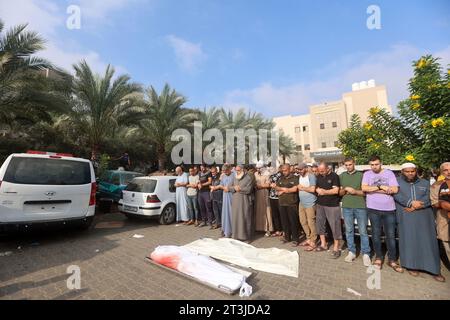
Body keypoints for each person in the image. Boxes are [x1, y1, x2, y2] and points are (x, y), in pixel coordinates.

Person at [394, 163, 445, 282]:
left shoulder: (425, 183)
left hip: (424, 216)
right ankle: (412, 265)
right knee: (409, 240)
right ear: (402, 172)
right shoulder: (396, 183)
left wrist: (417, 206)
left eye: (412, 171)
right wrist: (410, 203)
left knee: (428, 241)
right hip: (406, 215)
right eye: (407, 171)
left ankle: (434, 269)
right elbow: (396, 195)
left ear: (416, 171)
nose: (410, 173)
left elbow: (431, 197)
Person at [362, 155, 402, 272]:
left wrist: (373, 189)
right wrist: (382, 187)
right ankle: (378, 258)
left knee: (390, 235)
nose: (374, 167)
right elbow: (364, 188)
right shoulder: (367, 174)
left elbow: (394, 190)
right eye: (372, 165)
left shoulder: (389, 173)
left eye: (376, 164)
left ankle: (392, 259)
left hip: (389, 209)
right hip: (373, 208)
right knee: (375, 234)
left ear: (381, 163)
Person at [339, 157, 371, 266]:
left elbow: (366, 192)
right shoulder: (342, 176)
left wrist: (355, 191)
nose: (348, 166)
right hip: (347, 206)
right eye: (346, 165)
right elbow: (340, 193)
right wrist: (344, 190)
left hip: (360, 206)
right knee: (349, 230)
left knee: (363, 231)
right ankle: (351, 252)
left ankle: (366, 253)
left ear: (354, 164)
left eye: (350, 164)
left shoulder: (361, 175)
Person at [315, 162, 342, 258]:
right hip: (320, 204)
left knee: (335, 226)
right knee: (320, 225)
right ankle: (323, 244)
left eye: (322, 171)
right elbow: (317, 187)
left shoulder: (334, 176)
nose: (321, 172)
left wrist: (324, 192)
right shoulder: (318, 176)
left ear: (327, 168)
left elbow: (336, 190)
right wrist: (318, 190)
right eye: (319, 171)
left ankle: (336, 247)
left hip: (332, 205)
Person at [273, 164, 300, 246]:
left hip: (291, 203)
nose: (284, 172)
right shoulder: (281, 178)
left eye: (285, 170)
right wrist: (285, 190)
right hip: (282, 203)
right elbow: (276, 187)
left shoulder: (295, 178)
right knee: (284, 222)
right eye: (283, 171)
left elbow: (295, 189)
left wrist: (284, 190)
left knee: (293, 222)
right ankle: (287, 237)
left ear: (289, 169)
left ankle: (295, 239)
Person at [228, 165, 254, 242]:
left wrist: (240, 189)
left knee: (245, 217)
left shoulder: (248, 178)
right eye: (236, 170)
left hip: (244, 201)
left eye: (239, 170)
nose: (237, 172)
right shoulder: (234, 177)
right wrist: (234, 188)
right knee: (235, 218)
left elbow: (249, 189)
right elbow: (229, 187)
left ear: (243, 170)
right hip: (235, 200)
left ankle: (246, 237)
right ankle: (235, 236)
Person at [431, 163, 450, 267]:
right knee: (447, 245)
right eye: (446, 170)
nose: (449, 172)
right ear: (442, 172)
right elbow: (434, 202)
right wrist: (442, 203)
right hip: (444, 219)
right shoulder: (436, 185)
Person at [296, 163, 318, 251]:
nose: (299, 171)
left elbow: (313, 189)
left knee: (311, 222)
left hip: (310, 203)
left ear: (305, 168)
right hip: (302, 203)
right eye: (298, 170)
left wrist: (302, 188)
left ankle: (313, 241)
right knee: (303, 221)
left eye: (301, 169)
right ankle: (308, 238)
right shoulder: (300, 176)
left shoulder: (311, 176)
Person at [254, 162, 273, 236]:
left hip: (264, 193)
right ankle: (259, 228)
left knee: (266, 210)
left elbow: (268, 184)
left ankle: (268, 229)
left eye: (259, 168)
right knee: (259, 210)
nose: (258, 169)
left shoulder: (267, 174)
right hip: (257, 193)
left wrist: (260, 186)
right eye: (257, 168)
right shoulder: (255, 174)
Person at [218, 164, 234, 238]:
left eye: (226, 171)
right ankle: (225, 230)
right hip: (225, 196)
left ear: (229, 169)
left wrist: (229, 188)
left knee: (231, 212)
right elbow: (221, 184)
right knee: (225, 212)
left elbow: (236, 186)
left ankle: (232, 231)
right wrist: (222, 187)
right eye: (224, 171)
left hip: (231, 196)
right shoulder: (223, 176)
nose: (225, 172)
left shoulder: (234, 175)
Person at [268, 166, 283, 238]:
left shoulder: (281, 176)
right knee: (276, 214)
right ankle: (279, 230)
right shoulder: (271, 176)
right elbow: (270, 184)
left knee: (279, 214)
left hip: (278, 197)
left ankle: (281, 230)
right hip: (273, 196)